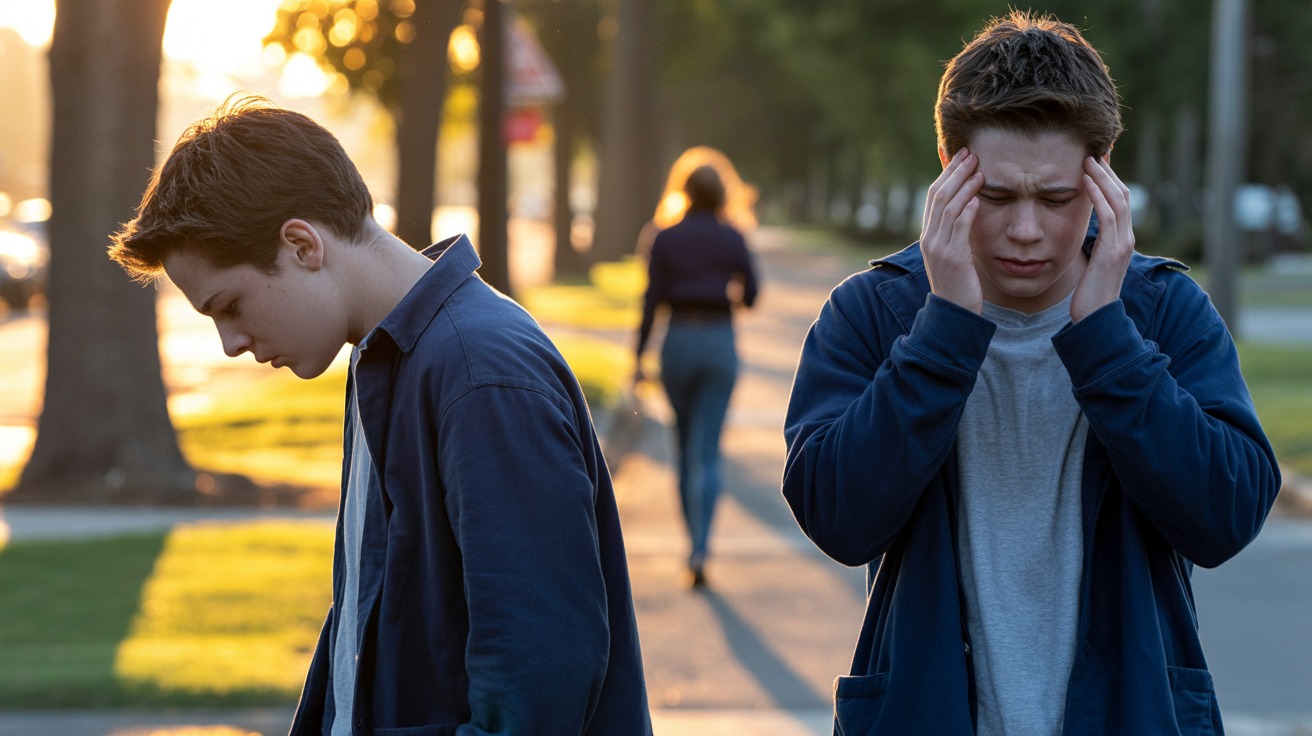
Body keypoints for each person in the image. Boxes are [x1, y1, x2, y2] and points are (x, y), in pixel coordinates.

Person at [782, 11, 1280, 735]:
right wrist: (944, 329)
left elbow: (1224, 518)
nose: (1025, 230)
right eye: (996, 197)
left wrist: (1107, 336)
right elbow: (837, 518)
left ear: (1102, 182)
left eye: (1054, 199)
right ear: (950, 177)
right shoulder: (875, 313)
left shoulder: (1162, 311)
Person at [108, 97, 652, 735]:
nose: (231, 343)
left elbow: (540, 685)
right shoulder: (388, 356)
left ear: (302, 244)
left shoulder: (480, 375)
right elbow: (362, 628)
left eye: (229, 306)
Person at [633, 147, 760, 588]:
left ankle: (692, 542)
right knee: (708, 450)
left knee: (684, 447)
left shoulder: (664, 237)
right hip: (719, 342)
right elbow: (752, 293)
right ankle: (702, 547)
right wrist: (730, 296)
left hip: (678, 342)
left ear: (683, 191)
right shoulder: (733, 236)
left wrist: (638, 358)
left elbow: (651, 301)